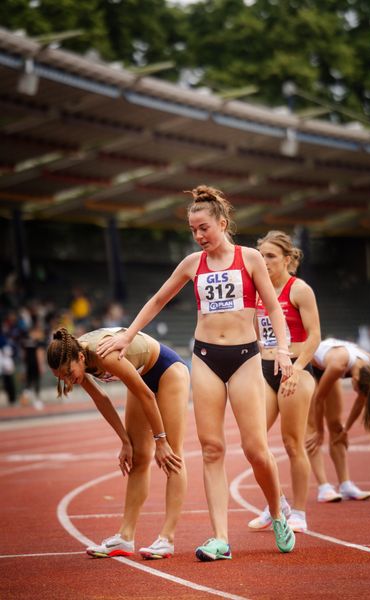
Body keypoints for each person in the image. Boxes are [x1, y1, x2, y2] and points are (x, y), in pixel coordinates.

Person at [96, 184, 296, 561]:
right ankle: (220, 537)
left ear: (222, 223)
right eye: (193, 230)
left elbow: (272, 308)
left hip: (245, 357)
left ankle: (277, 510)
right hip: (205, 356)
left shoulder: (249, 258)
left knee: (255, 449)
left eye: (203, 228)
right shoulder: (192, 264)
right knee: (211, 448)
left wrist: (282, 352)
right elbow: (157, 300)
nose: (199, 236)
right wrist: (128, 335)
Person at [47, 326, 189, 560]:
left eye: (67, 373)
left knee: (172, 454)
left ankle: (167, 538)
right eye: (61, 378)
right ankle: (125, 536)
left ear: (81, 358)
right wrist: (124, 441)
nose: (67, 380)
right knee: (138, 457)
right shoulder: (73, 356)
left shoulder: (105, 356)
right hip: (142, 377)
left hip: (167, 370)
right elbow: (101, 399)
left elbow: (147, 396)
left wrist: (160, 440)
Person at [248, 231, 321, 533]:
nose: (264, 262)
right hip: (264, 368)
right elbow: (255, 333)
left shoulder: (299, 290)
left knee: (292, 443)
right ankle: (277, 503)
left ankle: (300, 513)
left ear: (288, 259)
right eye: (261, 255)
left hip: (295, 369)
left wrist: (297, 368)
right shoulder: (256, 292)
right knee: (254, 443)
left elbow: (315, 335)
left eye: (271, 256)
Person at [306, 338, 370, 502]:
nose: (356, 392)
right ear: (355, 381)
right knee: (313, 430)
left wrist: (346, 430)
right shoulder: (338, 366)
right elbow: (319, 400)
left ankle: (345, 484)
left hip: (328, 368)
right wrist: (321, 433)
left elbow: (361, 401)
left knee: (336, 426)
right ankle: (324, 488)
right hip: (309, 368)